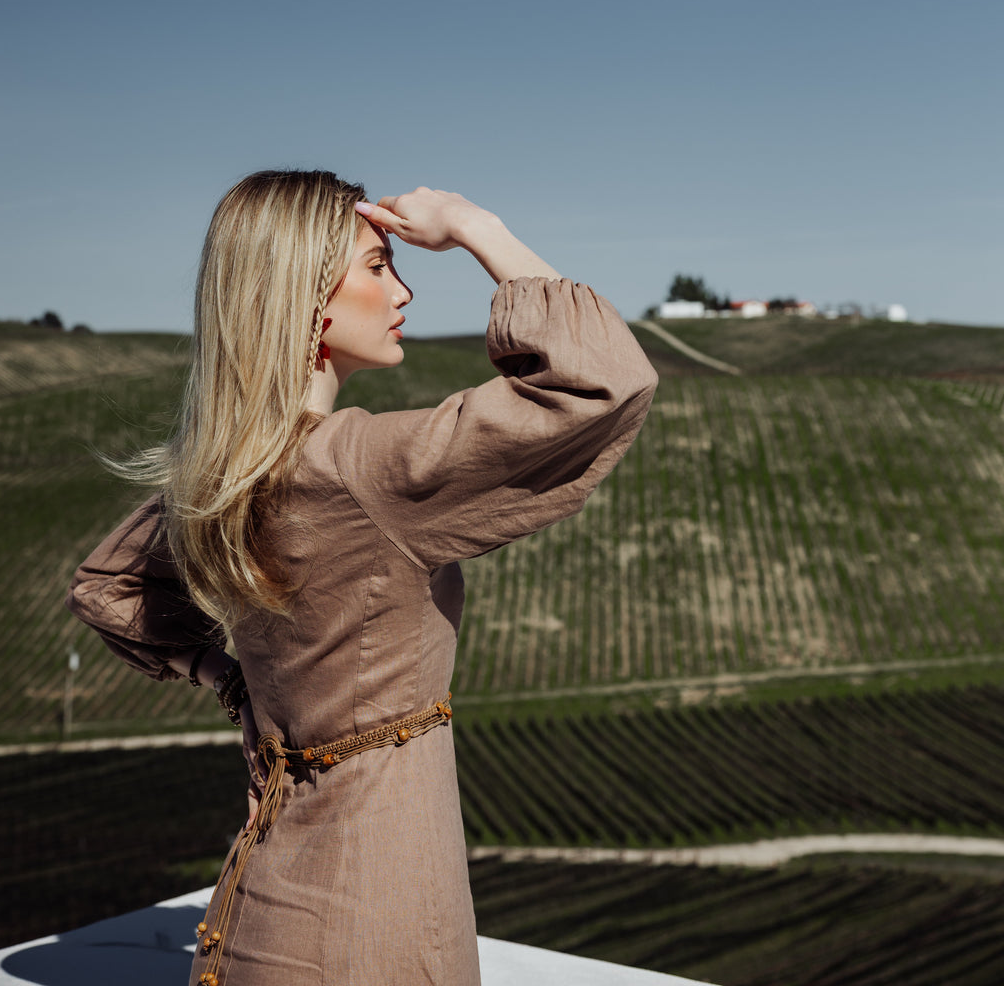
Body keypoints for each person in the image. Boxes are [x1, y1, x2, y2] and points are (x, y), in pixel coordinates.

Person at [67, 172, 657, 986]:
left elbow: (108, 588)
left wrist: (232, 683)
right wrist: (472, 223)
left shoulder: (227, 471)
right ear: (305, 299)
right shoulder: (361, 467)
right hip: (373, 916)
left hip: (266, 901)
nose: (403, 289)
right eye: (379, 267)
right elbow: (601, 381)